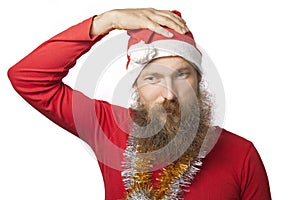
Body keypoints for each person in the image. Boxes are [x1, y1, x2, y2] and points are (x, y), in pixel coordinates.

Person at [7, 8, 271, 200]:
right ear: (136, 86)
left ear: (198, 80)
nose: (169, 94)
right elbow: (28, 78)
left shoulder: (241, 155)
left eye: (181, 74)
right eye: (153, 77)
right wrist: (107, 21)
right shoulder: (107, 127)